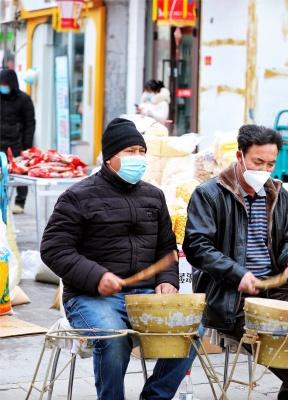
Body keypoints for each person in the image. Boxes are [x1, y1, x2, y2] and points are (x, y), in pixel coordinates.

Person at [40, 118, 192, 400]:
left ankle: (156, 396)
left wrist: (167, 280)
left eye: (140, 151)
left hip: (144, 294)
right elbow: (53, 249)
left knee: (191, 328)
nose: (138, 158)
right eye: (129, 151)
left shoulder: (154, 196)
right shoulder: (77, 197)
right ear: (110, 157)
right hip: (90, 297)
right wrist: (97, 276)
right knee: (114, 337)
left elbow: (166, 248)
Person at [183, 125, 288, 400]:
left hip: (274, 283)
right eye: (258, 162)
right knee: (273, 334)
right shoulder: (209, 194)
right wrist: (236, 273)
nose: (265, 169)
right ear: (240, 155)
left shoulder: (278, 193)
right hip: (230, 292)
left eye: (270, 163)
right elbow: (197, 247)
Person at [0, 69, 35, 214]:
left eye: (5, 84)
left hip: (17, 144)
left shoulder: (24, 99)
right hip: (0, 143)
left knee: (20, 175)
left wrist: (27, 145)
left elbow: (30, 123)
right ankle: (3, 201)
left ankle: (20, 203)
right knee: (1, 174)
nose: (3, 86)